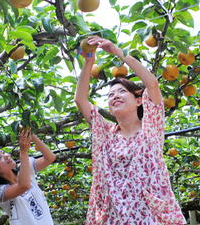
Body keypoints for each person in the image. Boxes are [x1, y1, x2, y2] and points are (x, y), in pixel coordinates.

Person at [74, 36, 186, 224]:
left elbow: (151, 84)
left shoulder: (151, 128)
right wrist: (88, 62)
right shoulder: (106, 135)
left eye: (122, 91)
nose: (115, 96)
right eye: (110, 95)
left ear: (138, 101)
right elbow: (80, 100)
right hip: (114, 219)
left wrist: (119, 52)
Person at [0, 129, 56, 224]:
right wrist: (23, 152)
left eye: (3, 152)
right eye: (0, 158)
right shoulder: (0, 191)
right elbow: (23, 186)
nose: (6, 155)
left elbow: (50, 157)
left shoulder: (24, 169)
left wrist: (31, 135)